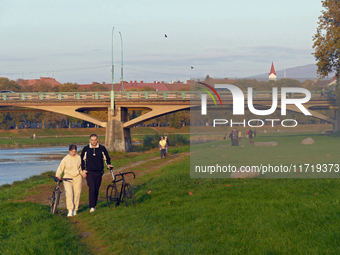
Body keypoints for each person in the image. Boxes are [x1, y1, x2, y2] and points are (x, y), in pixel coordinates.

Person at [81, 134, 112, 213]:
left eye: (95, 140)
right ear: (89, 140)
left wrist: (108, 164)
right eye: (92, 140)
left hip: (99, 172)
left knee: (96, 189)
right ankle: (92, 206)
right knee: (92, 188)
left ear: (97, 140)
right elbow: (82, 160)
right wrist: (83, 170)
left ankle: (94, 204)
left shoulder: (102, 148)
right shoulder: (86, 149)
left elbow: (107, 158)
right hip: (89, 172)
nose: (93, 141)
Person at [56, 144, 83, 217]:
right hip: (67, 178)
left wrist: (83, 173)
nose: (73, 153)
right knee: (69, 193)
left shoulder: (79, 158)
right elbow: (60, 168)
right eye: (72, 151)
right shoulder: (65, 159)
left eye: (75, 151)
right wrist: (58, 175)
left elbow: (81, 168)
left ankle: (75, 209)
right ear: (69, 151)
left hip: (77, 177)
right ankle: (70, 210)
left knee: (77, 194)